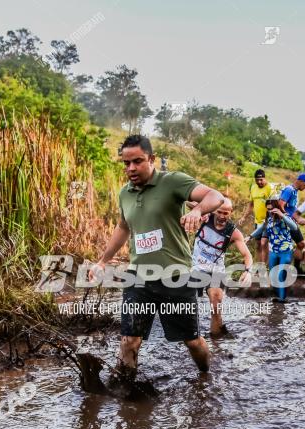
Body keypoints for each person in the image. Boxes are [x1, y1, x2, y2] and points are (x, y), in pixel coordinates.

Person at [90, 135, 224, 380]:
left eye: (138, 161)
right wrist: (103, 260)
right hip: (139, 278)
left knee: (192, 342)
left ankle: (206, 374)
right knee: (129, 341)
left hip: (176, 277)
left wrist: (196, 209)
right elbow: (123, 227)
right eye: (126, 163)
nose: (131, 168)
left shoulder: (173, 182)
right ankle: (127, 389)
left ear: (151, 159)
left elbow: (216, 196)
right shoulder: (125, 193)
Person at [188, 198, 253, 335]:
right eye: (219, 212)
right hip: (196, 268)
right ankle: (191, 338)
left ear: (231, 213)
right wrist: (200, 209)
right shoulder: (205, 217)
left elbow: (247, 255)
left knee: (216, 305)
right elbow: (187, 202)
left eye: (226, 213)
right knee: (188, 306)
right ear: (214, 210)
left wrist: (248, 271)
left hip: (216, 271)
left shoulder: (234, 233)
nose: (222, 216)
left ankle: (217, 341)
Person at [250, 196, 300, 303]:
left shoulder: (285, 216)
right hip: (273, 251)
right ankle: (279, 295)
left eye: (271, 208)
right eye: (268, 209)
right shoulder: (269, 219)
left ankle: (282, 300)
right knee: (273, 276)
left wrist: (282, 215)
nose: (270, 211)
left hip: (285, 251)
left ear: (276, 207)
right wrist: (249, 236)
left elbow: (294, 227)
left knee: (280, 274)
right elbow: (261, 228)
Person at [280, 173, 305, 274]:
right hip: (287, 223)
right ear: (301, 182)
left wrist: (298, 218)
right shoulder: (289, 190)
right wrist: (292, 218)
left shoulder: (294, 191)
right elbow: (281, 205)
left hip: (292, 222)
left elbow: (290, 208)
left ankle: (296, 268)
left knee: (301, 244)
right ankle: (289, 270)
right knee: (297, 244)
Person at [249, 168, 274, 263]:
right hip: (257, 220)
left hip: (268, 221)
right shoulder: (253, 187)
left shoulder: (270, 188)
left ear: (265, 178)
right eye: (257, 180)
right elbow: (251, 203)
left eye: (261, 180)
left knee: (264, 243)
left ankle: (265, 266)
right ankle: (260, 266)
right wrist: (244, 216)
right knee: (258, 244)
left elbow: (274, 204)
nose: (259, 182)